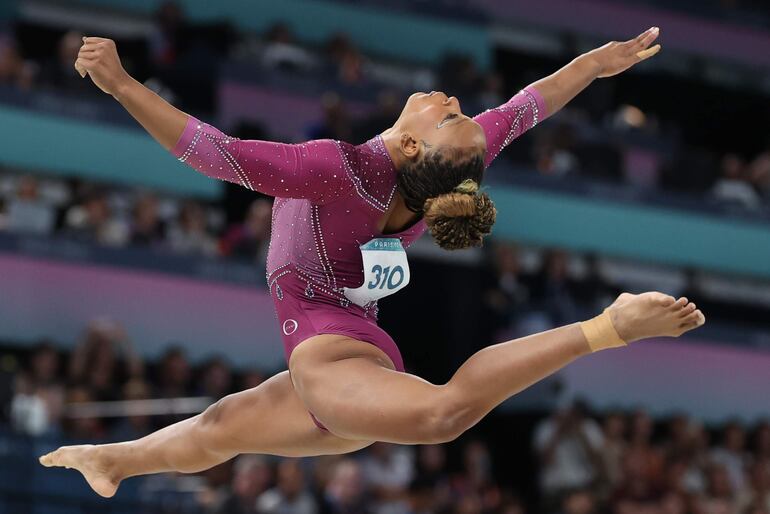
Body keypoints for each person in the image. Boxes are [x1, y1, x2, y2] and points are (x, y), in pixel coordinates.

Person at [41, 28, 706, 500]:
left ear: (413, 142)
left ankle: (608, 327)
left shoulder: (342, 168)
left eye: (453, 115)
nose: (457, 104)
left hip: (332, 357)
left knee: (446, 414)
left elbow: (220, 154)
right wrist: (593, 64)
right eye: (461, 112)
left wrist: (122, 84)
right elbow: (528, 106)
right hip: (345, 356)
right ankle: (113, 461)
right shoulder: (451, 163)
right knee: (218, 429)